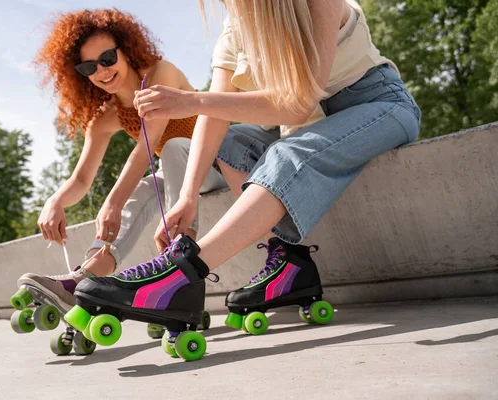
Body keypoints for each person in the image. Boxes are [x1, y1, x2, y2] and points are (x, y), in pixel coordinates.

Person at [72, 0, 421, 331]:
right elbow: (214, 117)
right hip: (310, 127)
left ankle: (181, 273)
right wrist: (188, 196)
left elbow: (298, 104)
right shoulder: (234, 29)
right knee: (230, 142)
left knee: (285, 155)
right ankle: (289, 264)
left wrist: (189, 100)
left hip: (378, 106)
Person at [17, 8, 227, 310]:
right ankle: (82, 283)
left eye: (107, 59)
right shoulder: (106, 118)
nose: (102, 72)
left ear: (126, 50)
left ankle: (181, 280)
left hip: (218, 161)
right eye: (89, 67)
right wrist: (56, 201)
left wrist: (111, 203)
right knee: (143, 188)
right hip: (179, 176)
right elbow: (81, 179)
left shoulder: (160, 75)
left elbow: (145, 149)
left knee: (173, 148)